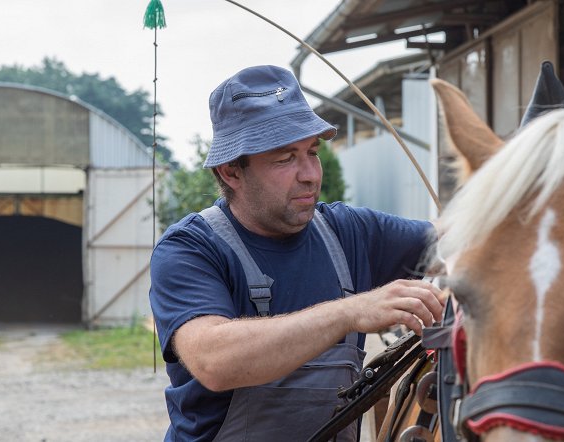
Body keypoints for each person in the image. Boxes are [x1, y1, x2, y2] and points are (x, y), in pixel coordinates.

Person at [149, 65, 446, 442]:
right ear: (230, 171)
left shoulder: (348, 232)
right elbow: (214, 361)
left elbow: (458, 241)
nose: (310, 174)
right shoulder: (190, 248)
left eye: (312, 152)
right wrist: (350, 311)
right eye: (285, 158)